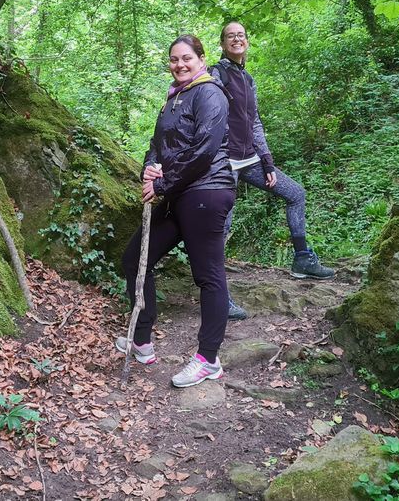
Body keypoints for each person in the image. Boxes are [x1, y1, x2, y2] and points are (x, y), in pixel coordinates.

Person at [115, 34, 236, 389]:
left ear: (201, 58)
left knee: (208, 276)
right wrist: (149, 169)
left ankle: (208, 360)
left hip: (207, 192)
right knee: (134, 258)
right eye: (173, 59)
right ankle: (141, 340)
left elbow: (204, 150)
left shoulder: (210, 93)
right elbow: (157, 147)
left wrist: (163, 184)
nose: (180, 64)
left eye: (186, 58)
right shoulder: (173, 98)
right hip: (176, 194)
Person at [209, 21, 335, 313]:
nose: (237, 39)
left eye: (241, 34)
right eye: (231, 36)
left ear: (247, 41)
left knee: (296, 194)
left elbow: (254, 122)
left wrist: (266, 160)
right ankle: (217, 294)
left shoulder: (247, 79)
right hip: (224, 161)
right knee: (223, 224)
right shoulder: (217, 74)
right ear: (223, 43)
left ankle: (302, 258)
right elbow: (208, 112)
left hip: (251, 159)